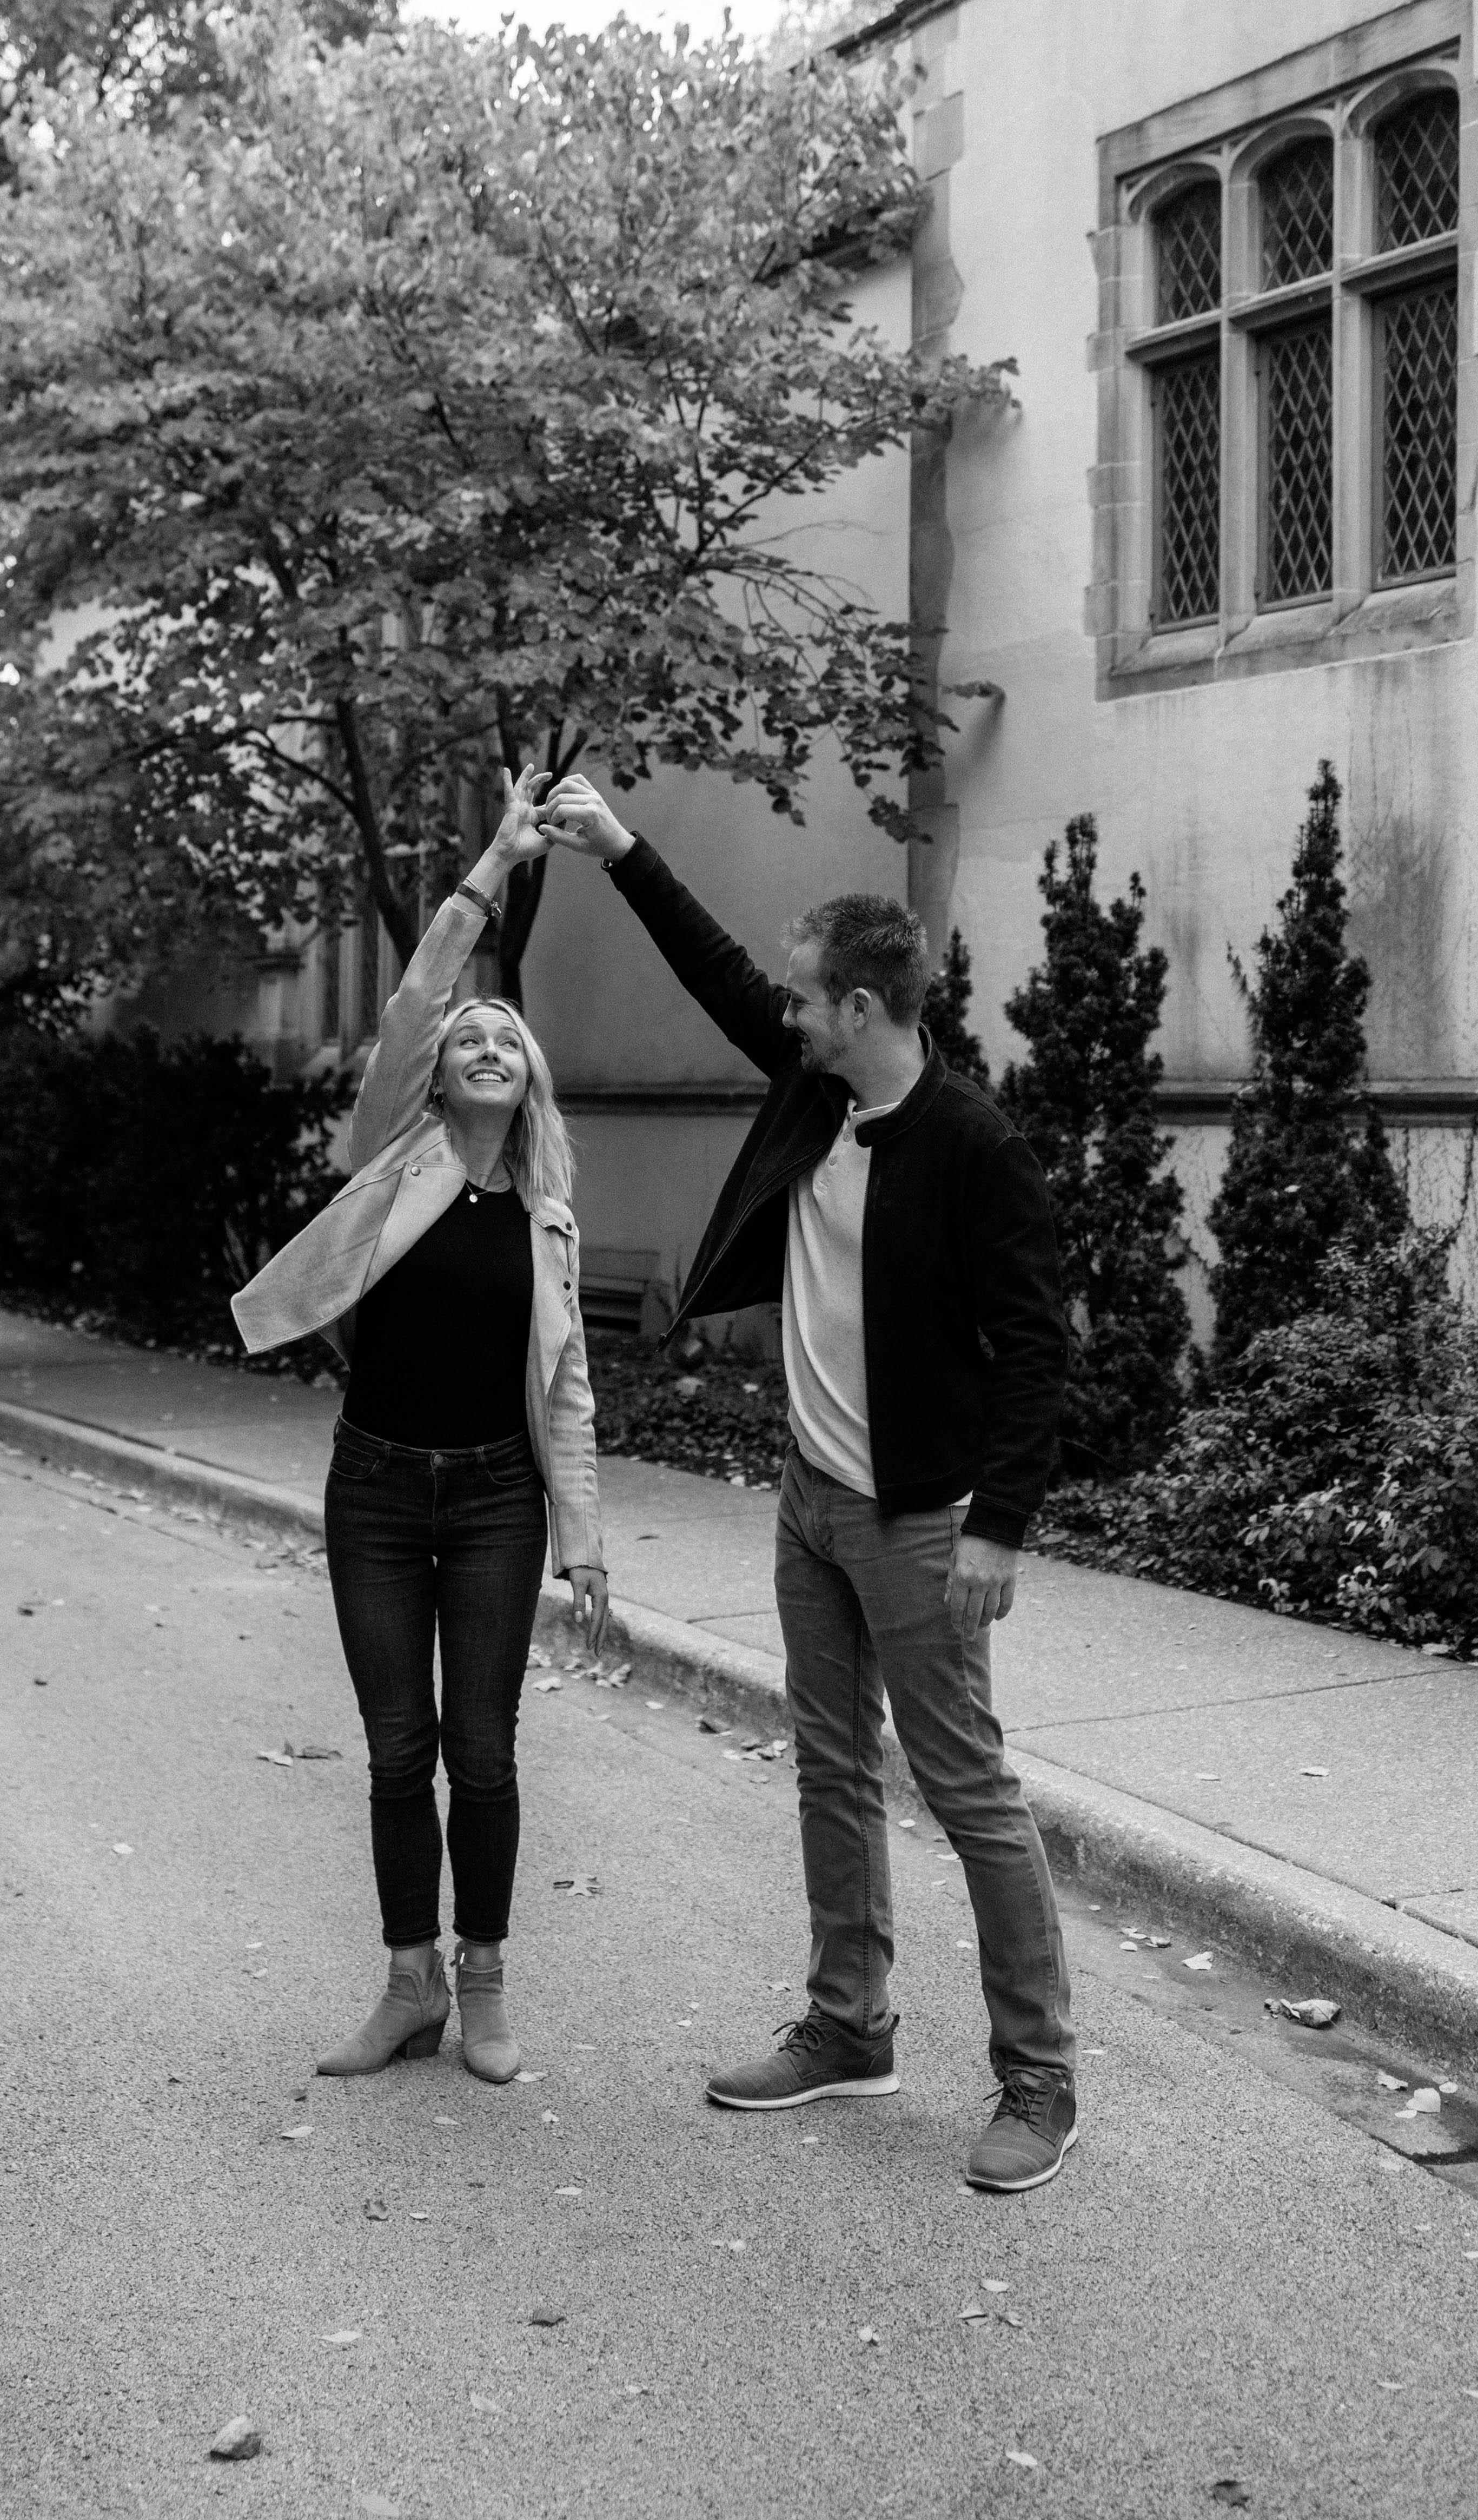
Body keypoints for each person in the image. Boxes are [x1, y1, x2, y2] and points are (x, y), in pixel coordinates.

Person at [538, 775, 1080, 2193]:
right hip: (810, 1507)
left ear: (859, 1006)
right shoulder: (812, 1092)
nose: (782, 1012)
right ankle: (851, 2026)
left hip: (919, 1522)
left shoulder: (973, 1145)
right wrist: (618, 848)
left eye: (803, 998)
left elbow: (1038, 1350)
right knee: (831, 1769)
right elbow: (717, 971)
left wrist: (998, 1529)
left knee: (968, 1789)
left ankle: (1039, 2077)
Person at [232, 768, 609, 2088]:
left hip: (500, 1499)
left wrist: (585, 1540)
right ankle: (410, 1986)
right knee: (399, 1750)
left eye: (508, 1038)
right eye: (469, 1040)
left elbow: (568, 1392)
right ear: (438, 1077)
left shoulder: (548, 1221)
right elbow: (410, 1004)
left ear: (531, 1078)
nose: (486, 1045)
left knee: (482, 1753)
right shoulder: (398, 1157)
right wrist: (495, 863)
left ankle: (484, 1981)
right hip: (379, 1492)